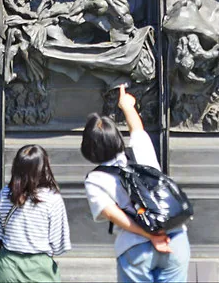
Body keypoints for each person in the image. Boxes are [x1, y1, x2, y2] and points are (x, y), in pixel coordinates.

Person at [82, 84, 191, 282]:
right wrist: (127, 106)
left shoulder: (95, 179)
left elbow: (114, 214)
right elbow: (137, 129)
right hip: (175, 239)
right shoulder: (139, 153)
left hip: (136, 247)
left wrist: (151, 236)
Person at [0, 143, 71, 283]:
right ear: (44, 168)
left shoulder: (4, 195)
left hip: (7, 267)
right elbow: (58, 244)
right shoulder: (52, 199)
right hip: (39, 269)